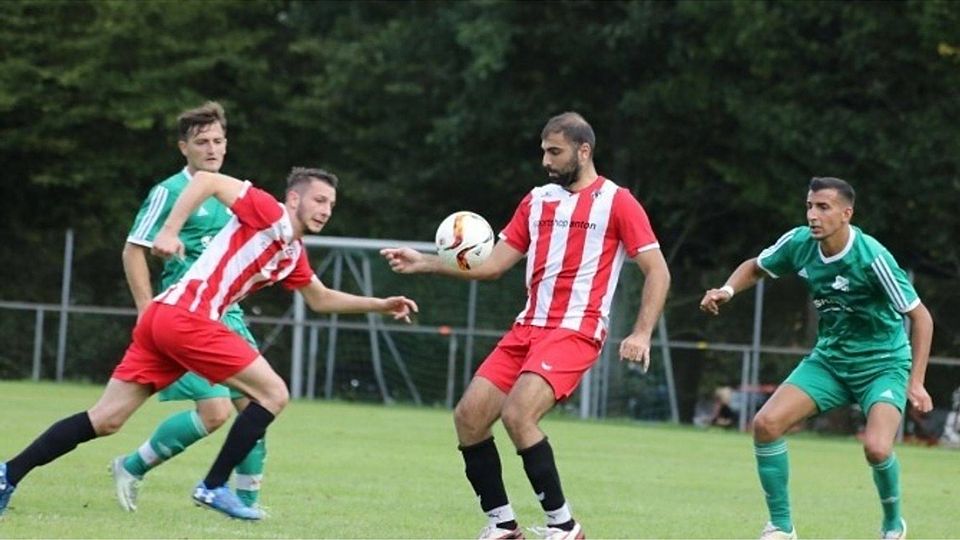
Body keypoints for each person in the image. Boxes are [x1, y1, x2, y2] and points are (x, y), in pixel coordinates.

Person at [0, 167, 418, 520]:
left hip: (164, 318)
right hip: (187, 318)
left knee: (106, 419)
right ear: (294, 199)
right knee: (273, 393)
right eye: (319, 200)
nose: (325, 210)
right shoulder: (267, 210)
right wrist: (168, 230)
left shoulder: (291, 252)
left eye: (330, 205)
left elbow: (321, 298)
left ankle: (8, 474)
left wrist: (381, 304)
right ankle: (213, 486)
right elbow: (205, 180)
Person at [381, 112, 670, 540]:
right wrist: (426, 261)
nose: (546, 161)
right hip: (528, 328)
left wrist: (642, 331)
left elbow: (658, 270)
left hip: (576, 329)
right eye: (543, 152)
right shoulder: (535, 201)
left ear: (583, 150)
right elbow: (493, 265)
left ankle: (565, 526)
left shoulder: (617, 201)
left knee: (518, 415)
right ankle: (502, 524)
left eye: (555, 152)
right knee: (469, 418)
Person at [699, 177, 933, 540]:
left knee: (876, 448)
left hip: (883, 364)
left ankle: (892, 524)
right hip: (831, 361)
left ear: (846, 214)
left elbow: (921, 317)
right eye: (809, 206)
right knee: (766, 424)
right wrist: (727, 290)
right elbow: (755, 266)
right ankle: (781, 526)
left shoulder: (872, 257)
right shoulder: (799, 243)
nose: (813, 215)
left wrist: (915, 381)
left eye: (823, 207)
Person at [113, 101, 268, 512]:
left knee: (257, 406)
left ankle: (247, 506)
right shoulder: (169, 191)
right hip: (185, 316)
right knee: (216, 411)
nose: (212, 149)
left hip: (227, 314)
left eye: (218, 140)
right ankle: (131, 466)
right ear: (184, 148)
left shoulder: (234, 192)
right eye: (202, 142)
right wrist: (146, 309)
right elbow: (133, 251)